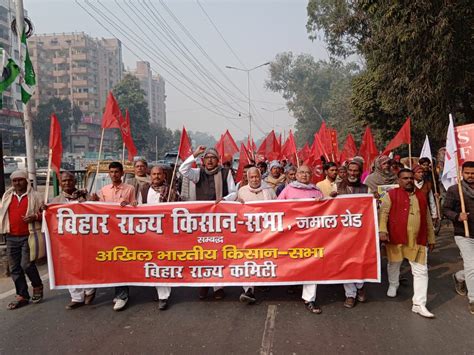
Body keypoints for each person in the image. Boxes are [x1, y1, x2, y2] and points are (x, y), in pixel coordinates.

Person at [179, 145, 237, 300]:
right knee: (203, 253)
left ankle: (218, 287)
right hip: (202, 221)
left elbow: (234, 192)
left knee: (218, 253)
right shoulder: (198, 173)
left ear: (218, 160)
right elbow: (182, 170)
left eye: (213, 158)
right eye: (207, 158)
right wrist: (195, 154)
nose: (210, 160)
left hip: (220, 220)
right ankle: (203, 285)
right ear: (203, 161)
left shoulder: (225, 173)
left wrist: (224, 199)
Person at [379, 169, 436, 318]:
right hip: (396, 237)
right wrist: (382, 231)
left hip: (417, 239)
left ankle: (419, 304)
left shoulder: (421, 196)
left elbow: (427, 218)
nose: (409, 180)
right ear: (399, 180)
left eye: (411, 178)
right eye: (405, 178)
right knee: (394, 263)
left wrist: (431, 238)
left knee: (421, 270)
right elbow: (383, 213)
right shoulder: (391, 195)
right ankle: (393, 284)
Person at [278, 165, 324, 314]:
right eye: (301, 172)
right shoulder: (288, 190)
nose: (304, 175)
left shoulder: (316, 191)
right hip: (291, 234)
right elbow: (275, 208)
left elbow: (327, 211)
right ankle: (292, 283)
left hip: (311, 234)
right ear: (296, 175)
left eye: (307, 172)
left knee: (311, 264)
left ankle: (309, 298)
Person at [91, 162, 137, 311]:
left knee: (121, 262)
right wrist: (94, 201)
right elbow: (99, 210)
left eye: (117, 172)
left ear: (122, 173)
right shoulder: (103, 190)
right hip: (108, 233)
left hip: (124, 233)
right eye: (111, 172)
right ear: (108, 174)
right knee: (109, 262)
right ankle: (110, 291)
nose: (114, 174)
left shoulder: (130, 189)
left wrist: (129, 204)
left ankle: (122, 295)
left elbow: (137, 207)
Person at [51, 171, 96, 310]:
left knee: (87, 265)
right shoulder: (56, 201)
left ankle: (90, 290)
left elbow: (97, 210)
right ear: (60, 183)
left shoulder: (85, 196)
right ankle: (76, 297)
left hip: (85, 238)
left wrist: (93, 201)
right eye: (64, 181)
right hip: (66, 240)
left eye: (70, 180)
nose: (67, 183)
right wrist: (43, 210)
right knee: (69, 267)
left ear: (75, 181)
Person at [0, 170, 44, 310]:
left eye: (20, 180)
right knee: (14, 267)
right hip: (11, 236)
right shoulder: (7, 196)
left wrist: (35, 217)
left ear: (26, 181)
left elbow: (45, 213)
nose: (17, 183)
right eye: (14, 180)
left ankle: (37, 285)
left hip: (29, 235)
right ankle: (22, 295)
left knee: (26, 265)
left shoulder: (36, 196)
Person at [139, 166, 177, 310]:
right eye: (153, 174)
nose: (156, 176)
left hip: (165, 233)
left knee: (163, 262)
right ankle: (158, 290)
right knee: (151, 262)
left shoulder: (171, 192)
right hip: (147, 232)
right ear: (150, 176)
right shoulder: (143, 190)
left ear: (164, 176)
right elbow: (136, 208)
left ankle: (163, 296)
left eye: (159, 174)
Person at [237, 167, 277, 304]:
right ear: (247, 178)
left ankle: (264, 281)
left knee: (264, 258)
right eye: (251, 177)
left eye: (257, 177)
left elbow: (279, 209)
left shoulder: (270, 191)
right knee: (247, 260)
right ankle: (249, 290)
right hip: (247, 233)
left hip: (266, 232)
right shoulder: (241, 191)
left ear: (261, 177)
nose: (254, 180)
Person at [336, 161, 369, 308]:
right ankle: (350, 295)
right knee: (345, 262)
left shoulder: (365, 189)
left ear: (360, 172)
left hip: (360, 232)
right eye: (351, 170)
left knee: (360, 261)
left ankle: (360, 286)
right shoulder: (337, 188)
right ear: (346, 171)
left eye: (356, 171)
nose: (353, 173)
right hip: (341, 232)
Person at [443, 161, 474, 314]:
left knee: (471, 268)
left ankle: (459, 277)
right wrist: (457, 216)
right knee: (472, 266)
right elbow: (446, 210)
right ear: (462, 173)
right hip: (464, 234)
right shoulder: (455, 190)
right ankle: (473, 299)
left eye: (473, 173)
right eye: (467, 173)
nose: (470, 176)